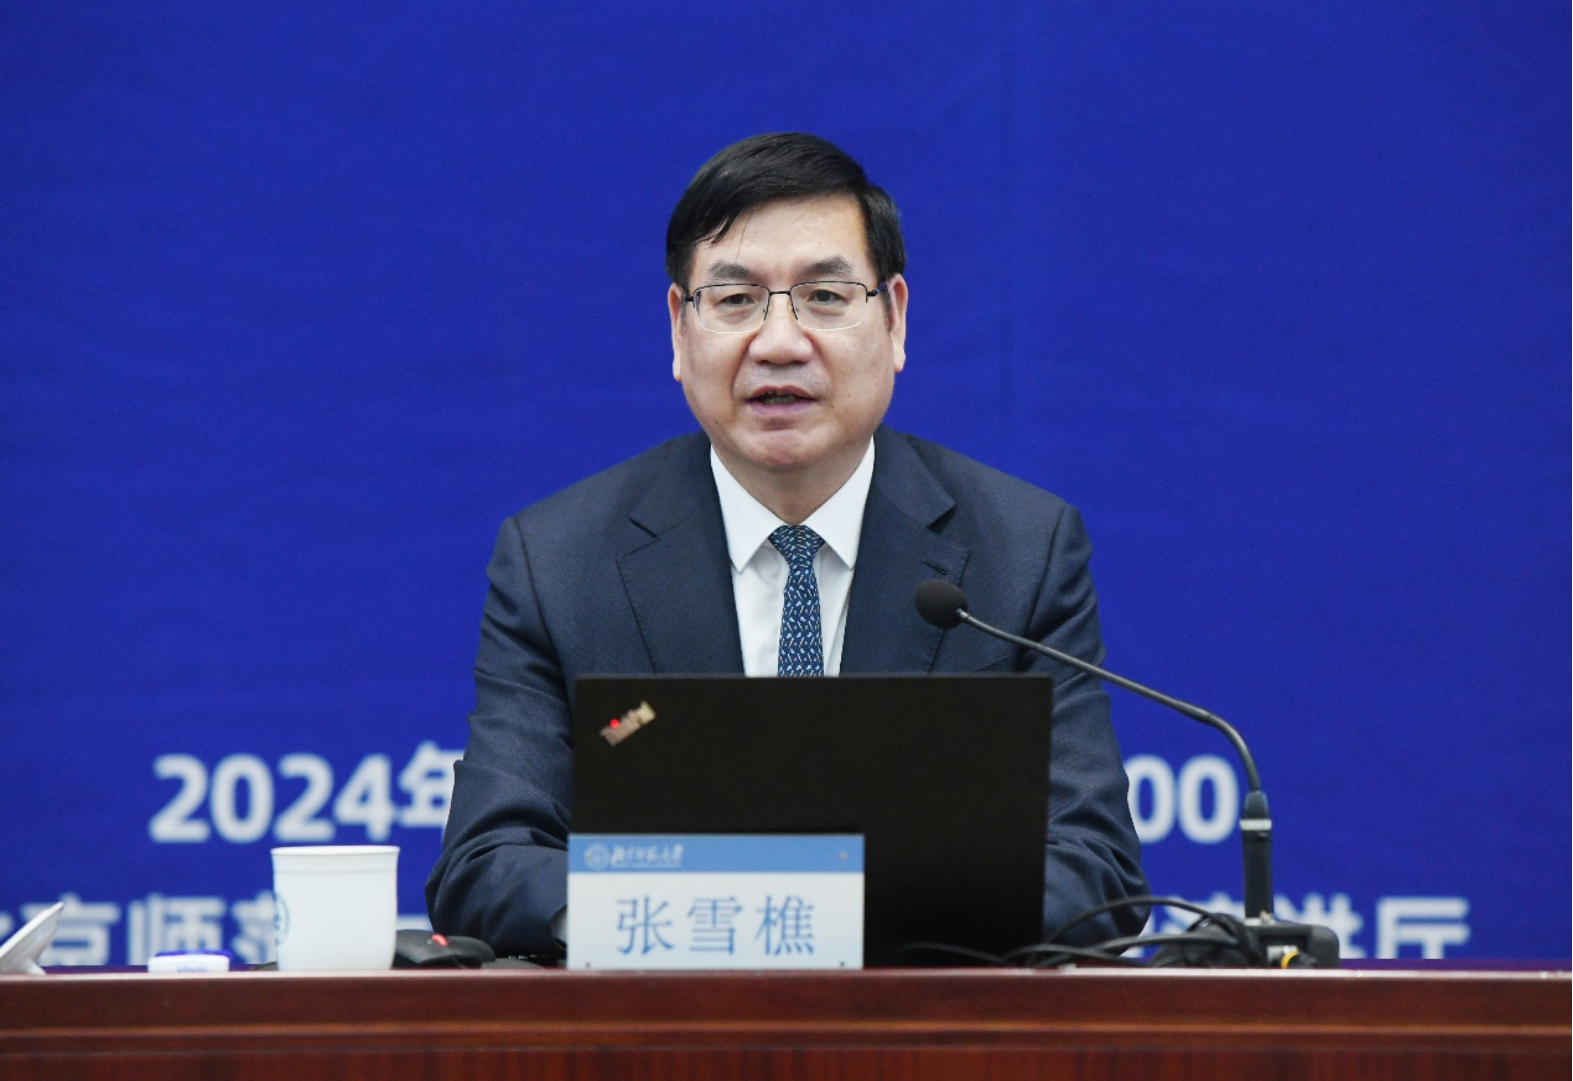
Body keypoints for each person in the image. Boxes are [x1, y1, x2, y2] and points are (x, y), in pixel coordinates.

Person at [426, 133, 1148, 960]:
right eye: (735, 300)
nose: (778, 341)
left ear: (895, 319)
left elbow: (1093, 866)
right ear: (678, 329)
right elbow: (487, 861)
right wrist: (714, 920)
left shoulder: (1019, 549)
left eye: (825, 296)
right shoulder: (558, 561)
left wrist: (828, 918)